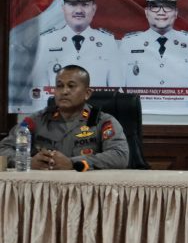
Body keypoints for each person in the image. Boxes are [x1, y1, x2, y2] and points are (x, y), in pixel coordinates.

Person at [0, 65, 129, 170]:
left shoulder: (103, 121)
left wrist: (73, 163)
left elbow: (120, 156)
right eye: (59, 86)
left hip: (86, 189)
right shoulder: (36, 120)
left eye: (71, 86)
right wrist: (27, 161)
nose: (64, 91)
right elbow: (3, 149)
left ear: (87, 93)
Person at [31, 0, 122, 89]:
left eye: (85, 4)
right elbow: (40, 90)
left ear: (94, 9)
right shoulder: (47, 41)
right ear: (63, 8)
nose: (79, 10)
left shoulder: (107, 41)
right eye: (72, 4)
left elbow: (116, 89)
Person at [119, 0, 188, 89]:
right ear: (146, 12)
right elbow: (119, 88)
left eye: (168, 7)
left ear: (176, 13)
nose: (161, 12)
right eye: (155, 7)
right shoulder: (129, 43)